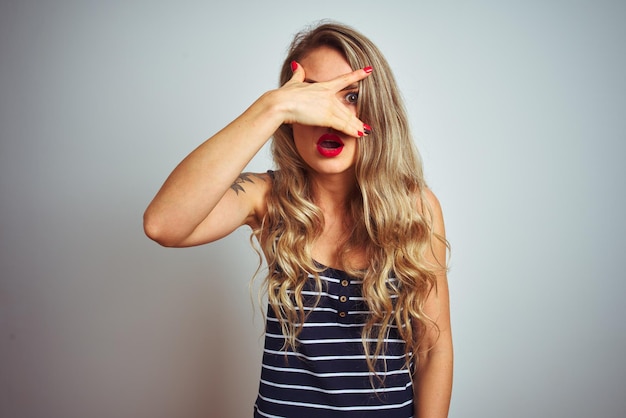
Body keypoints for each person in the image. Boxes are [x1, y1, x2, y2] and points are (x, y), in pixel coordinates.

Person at [144, 21, 453, 418]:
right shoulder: (270, 198)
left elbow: (433, 349)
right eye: (312, 99)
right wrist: (272, 106)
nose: (331, 116)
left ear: (377, 107)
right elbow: (163, 224)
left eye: (351, 96)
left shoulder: (417, 208)